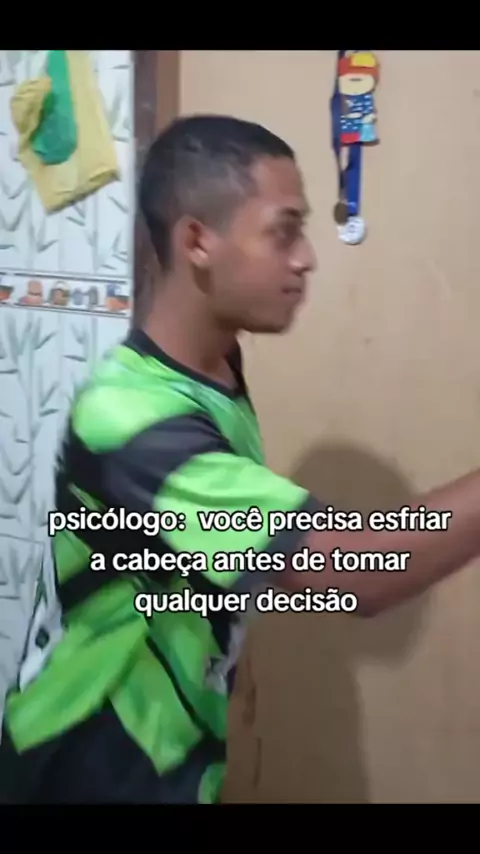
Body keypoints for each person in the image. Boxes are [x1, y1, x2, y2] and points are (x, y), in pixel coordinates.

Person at [2, 114, 480, 804]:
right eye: (284, 232)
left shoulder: (213, 364)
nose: (306, 258)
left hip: (173, 751)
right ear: (198, 241)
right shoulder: (132, 421)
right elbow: (363, 570)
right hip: (90, 765)